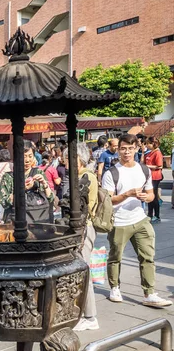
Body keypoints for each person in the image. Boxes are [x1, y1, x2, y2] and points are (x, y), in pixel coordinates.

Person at [102, 134, 172, 308]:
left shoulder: (144, 170)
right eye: (123, 148)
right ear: (118, 150)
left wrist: (146, 197)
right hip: (119, 221)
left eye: (130, 148)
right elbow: (108, 201)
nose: (127, 152)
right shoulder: (111, 173)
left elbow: (151, 194)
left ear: (136, 149)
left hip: (140, 219)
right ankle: (115, 287)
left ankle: (149, 292)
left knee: (147, 257)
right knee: (115, 256)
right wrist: (127, 194)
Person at [64, 143, 100, 331]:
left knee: (83, 270)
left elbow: (79, 206)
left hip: (83, 230)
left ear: (80, 159)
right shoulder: (76, 176)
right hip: (77, 229)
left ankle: (90, 316)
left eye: (71, 158)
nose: (66, 162)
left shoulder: (86, 177)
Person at [0, 141, 54, 223]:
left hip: (37, 220)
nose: (27, 160)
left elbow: (50, 198)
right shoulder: (8, 177)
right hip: (16, 221)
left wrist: (44, 183)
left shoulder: (39, 173)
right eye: (24, 156)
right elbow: (4, 203)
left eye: (30, 156)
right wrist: (22, 189)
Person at [143, 137, 163, 223]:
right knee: (149, 196)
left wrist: (148, 166)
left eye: (148, 143)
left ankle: (157, 215)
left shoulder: (157, 153)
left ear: (153, 144)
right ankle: (150, 214)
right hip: (148, 177)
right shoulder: (149, 153)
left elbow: (160, 166)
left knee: (154, 197)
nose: (147, 145)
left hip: (155, 177)